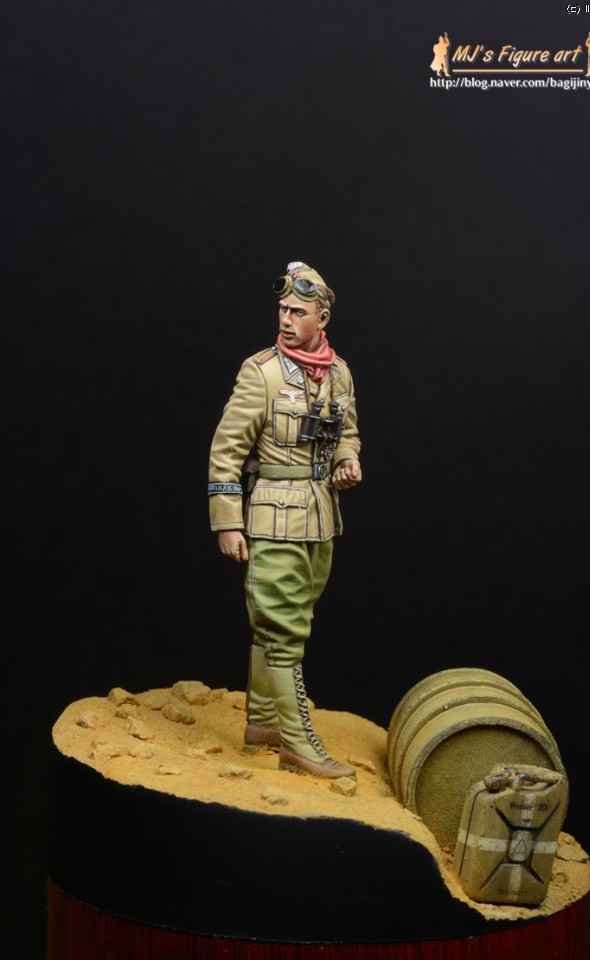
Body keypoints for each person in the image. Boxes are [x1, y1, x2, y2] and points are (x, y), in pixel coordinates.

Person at [208, 262, 362, 779]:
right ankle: (297, 744)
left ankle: (264, 722)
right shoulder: (263, 373)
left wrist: (347, 460)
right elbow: (226, 450)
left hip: (321, 517)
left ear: (322, 317)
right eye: (282, 309)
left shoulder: (338, 373)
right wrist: (227, 522)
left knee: (287, 620)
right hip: (273, 516)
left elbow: (347, 431)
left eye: (298, 311)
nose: (286, 318)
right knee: (283, 629)